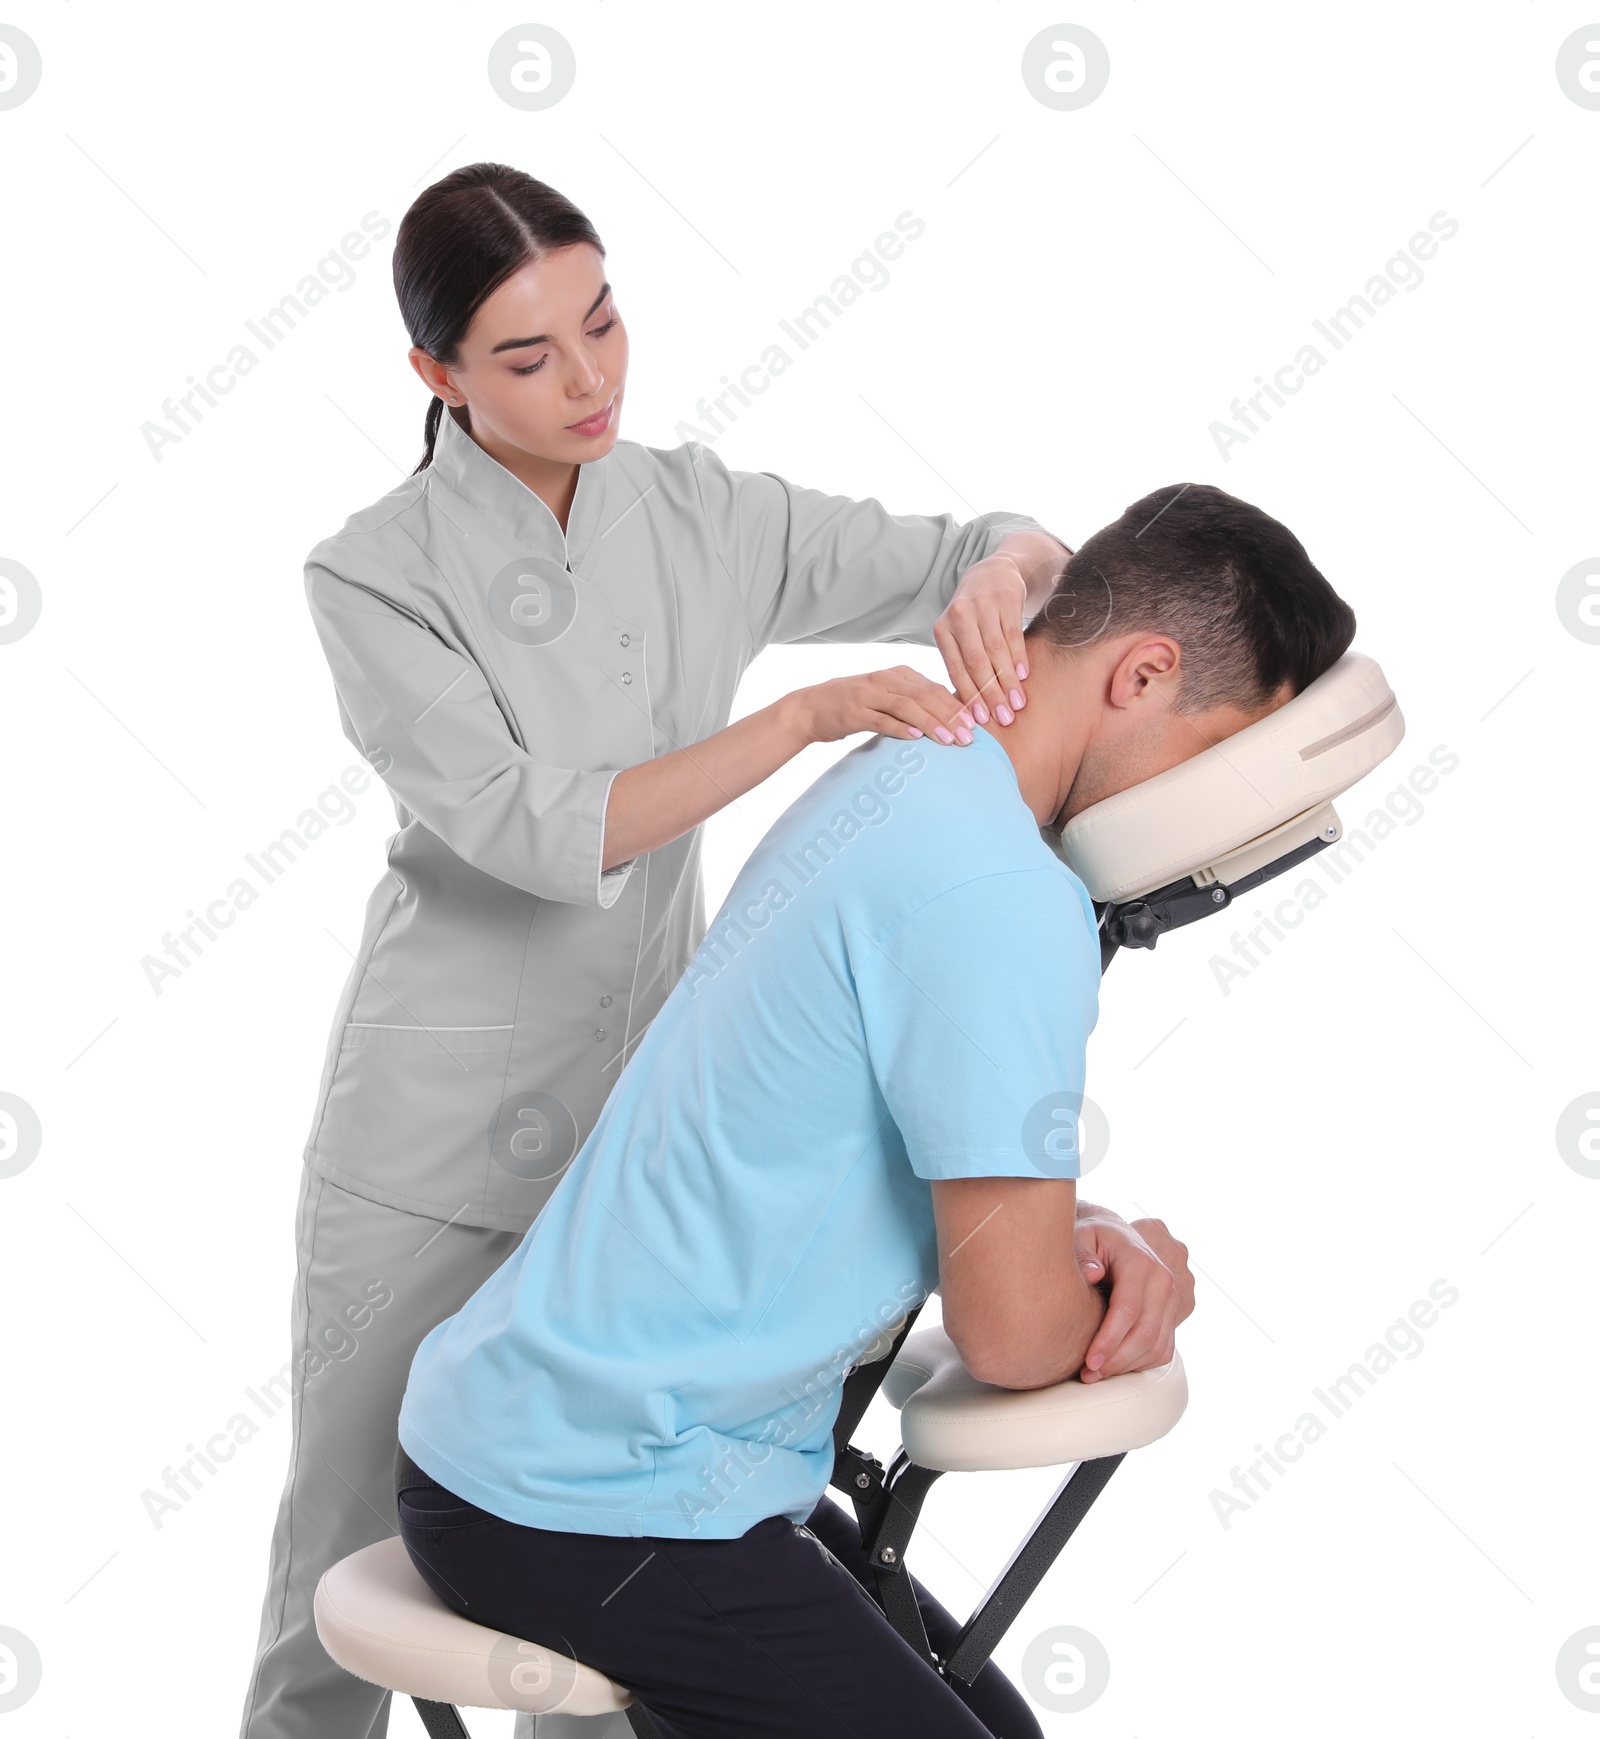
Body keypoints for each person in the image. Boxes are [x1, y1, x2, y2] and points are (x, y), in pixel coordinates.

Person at [239, 161, 1071, 1739]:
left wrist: (999, 579)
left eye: (604, 322)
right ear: (436, 376)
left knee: (595, 1593)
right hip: (425, 1151)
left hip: (625, 1157)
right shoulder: (372, 572)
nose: (589, 379)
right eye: (528, 357)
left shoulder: (698, 508)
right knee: (337, 1575)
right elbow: (535, 823)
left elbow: (998, 537)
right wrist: (806, 714)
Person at [392, 484, 1359, 1737]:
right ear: (1143, 673)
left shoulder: (913, 763)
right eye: (1219, 749)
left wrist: (1073, 1233)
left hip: (543, 1443)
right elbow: (1012, 1338)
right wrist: (1129, 1288)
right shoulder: (1005, 893)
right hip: (589, 1499)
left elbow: (856, 1151)